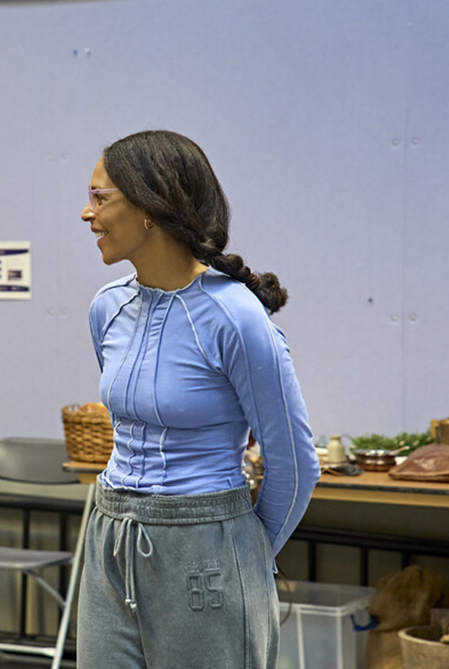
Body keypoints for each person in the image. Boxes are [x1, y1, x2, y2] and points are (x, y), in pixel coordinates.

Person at [75, 130, 320, 668]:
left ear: (149, 208)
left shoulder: (236, 316)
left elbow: (297, 465)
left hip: (207, 544)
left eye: (100, 198)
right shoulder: (106, 309)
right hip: (110, 533)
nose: (86, 214)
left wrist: (248, 556)